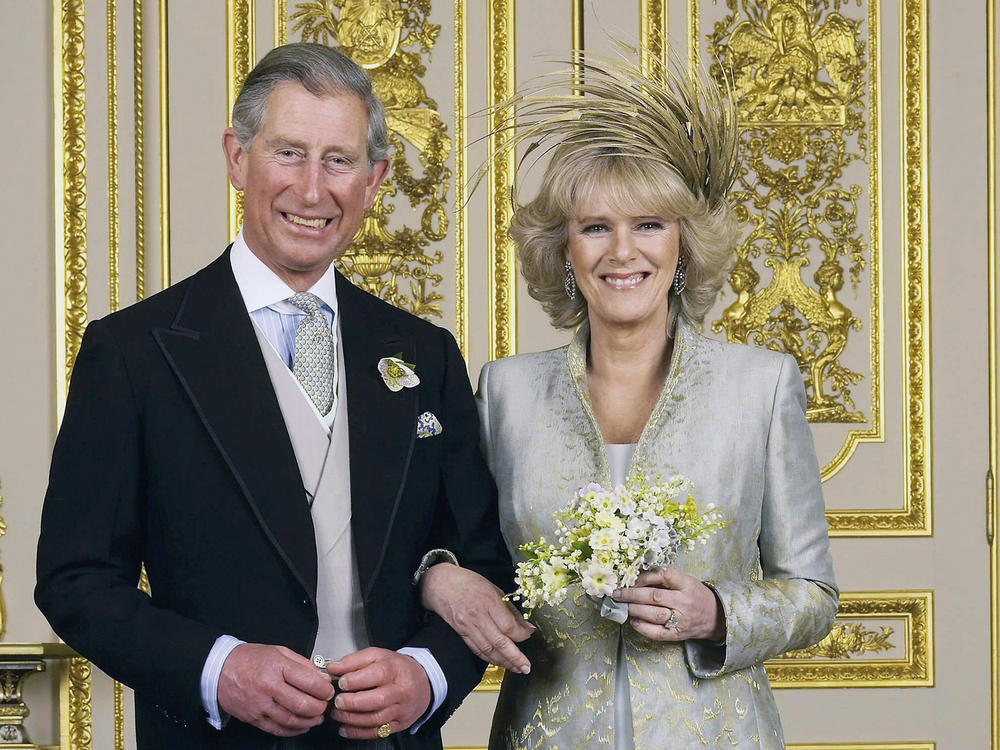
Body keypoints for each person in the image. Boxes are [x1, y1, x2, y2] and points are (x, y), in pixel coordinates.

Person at [35, 42, 517, 750]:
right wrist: (217, 667)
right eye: (289, 153)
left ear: (376, 179)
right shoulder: (134, 353)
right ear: (237, 158)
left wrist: (426, 675)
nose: (314, 189)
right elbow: (75, 582)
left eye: (339, 160)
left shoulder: (425, 354)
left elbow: (484, 564)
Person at [421, 53, 839, 748]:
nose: (623, 251)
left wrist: (716, 612)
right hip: (546, 731)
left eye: (649, 224)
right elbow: (448, 548)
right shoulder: (507, 392)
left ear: (684, 244)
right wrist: (438, 577)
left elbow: (812, 594)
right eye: (594, 227)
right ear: (563, 250)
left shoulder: (758, 386)